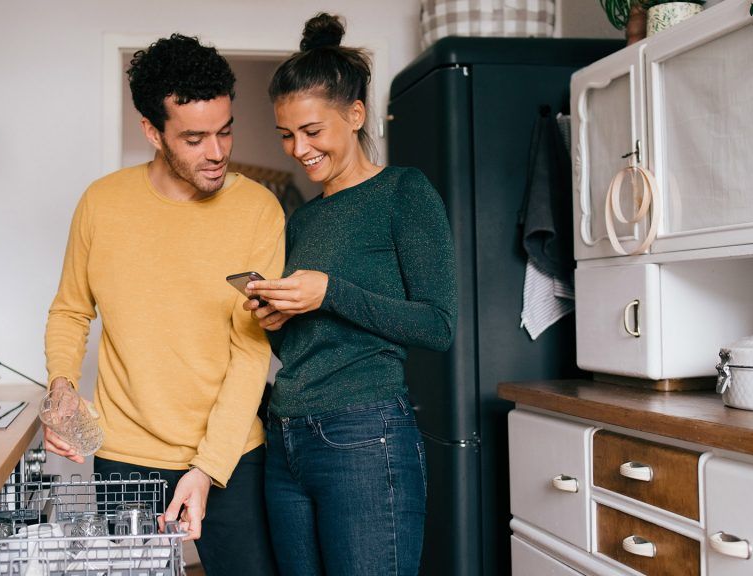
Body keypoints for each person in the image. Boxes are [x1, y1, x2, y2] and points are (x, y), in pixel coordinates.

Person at [43, 33, 282, 576]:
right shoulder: (102, 204)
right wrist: (61, 386)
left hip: (234, 457)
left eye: (225, 131)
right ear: (152, 131)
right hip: (126, 458)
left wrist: (207, 468)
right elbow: (70, 310)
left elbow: (250, 354)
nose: (217, 152)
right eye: (194, 138)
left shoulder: (258, 210)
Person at [244, 13, 457, 576]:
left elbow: (438, 325)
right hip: (284, 436)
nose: (298, 149)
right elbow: (309, 344)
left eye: (312, 131)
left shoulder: (403, 193)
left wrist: (330, 291)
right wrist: (277, 322)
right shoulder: (302, 220)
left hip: (364, 436)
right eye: (286, 135)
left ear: (355, 115)